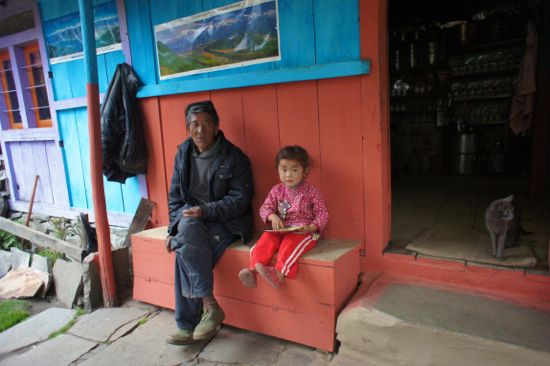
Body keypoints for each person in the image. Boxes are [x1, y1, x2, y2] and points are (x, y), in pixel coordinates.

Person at [164, 100, 254, 345]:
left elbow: (240, 201)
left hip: (227, 223)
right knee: (185, 234)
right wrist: (173, 228)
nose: (200, 130)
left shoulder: (234, 158)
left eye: (206, 124)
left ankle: (186, 324)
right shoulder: (183, 153)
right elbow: (174, 199)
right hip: (192, 221)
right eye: (195, 125)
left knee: (185, 246)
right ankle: (210, 306)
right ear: (188, 128)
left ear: (216, 127)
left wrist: (204, 211)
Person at [238, 146, 328, 289]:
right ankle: (253, 271)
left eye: (294, 170)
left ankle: (279, 274)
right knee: (265, 239)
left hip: (304, 233)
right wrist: (272, 216)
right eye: (284, 169)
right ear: (278, 170)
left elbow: (322, 214)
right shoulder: (277, 190)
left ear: (305, 172)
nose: (288, 175)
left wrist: (311, 227)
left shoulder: (312, 192)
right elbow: (264, 208)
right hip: (281, 230)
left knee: (289, 244)